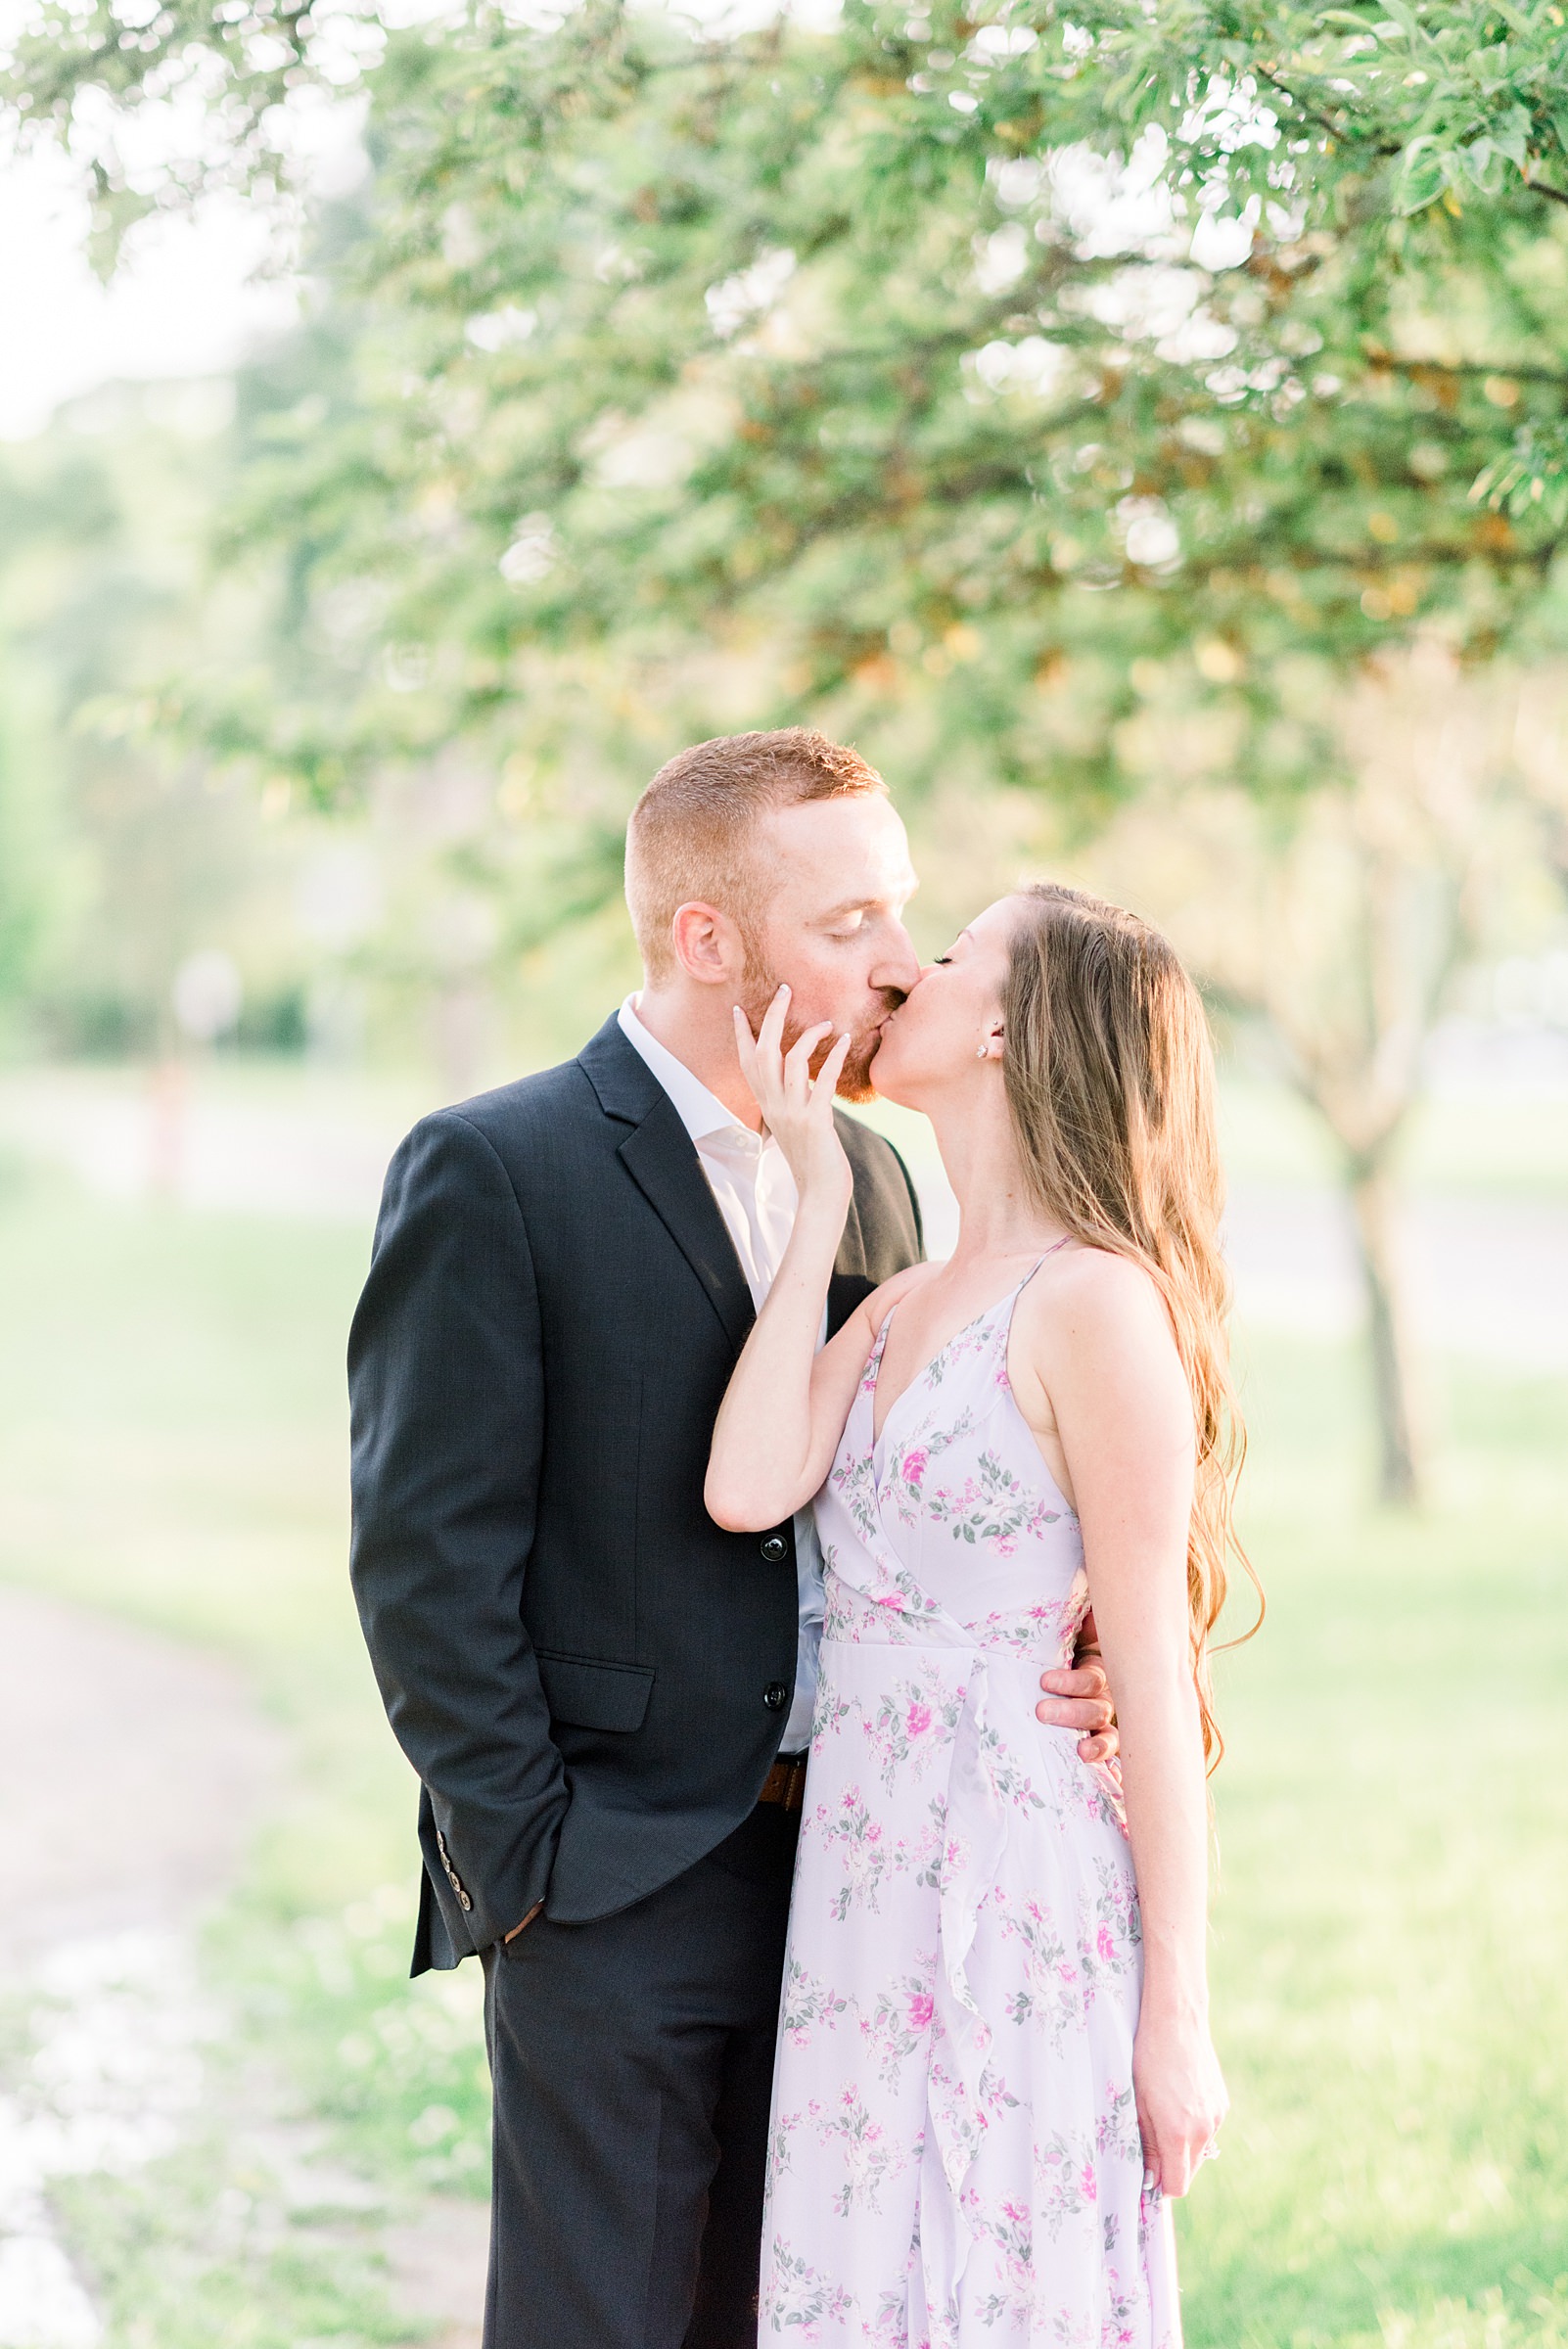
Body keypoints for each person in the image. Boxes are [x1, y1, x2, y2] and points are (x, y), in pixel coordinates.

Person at [347, 732, 1118, 2349]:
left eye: (903, 918)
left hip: (868, 1868)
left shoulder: (889, 1185)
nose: (900, 969)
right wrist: (535, 1867)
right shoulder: (499, 1167)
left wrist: (1080, 1629)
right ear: (709, 941)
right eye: (850, 926)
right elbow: (427, 1566)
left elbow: (932, 1476)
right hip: (612, 1880)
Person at [706, 883, 1249, 2345]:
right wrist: (815, 1191)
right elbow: (748, 1489)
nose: (906, 977)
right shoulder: (891, 1305)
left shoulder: (1094, 1306)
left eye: (948, 959)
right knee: (861, 2258)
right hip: (863, 1876)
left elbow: (1148, 1672)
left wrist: (1176, 2014)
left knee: (1001, 2260)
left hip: (1022, 1871)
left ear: (1008, 1025)